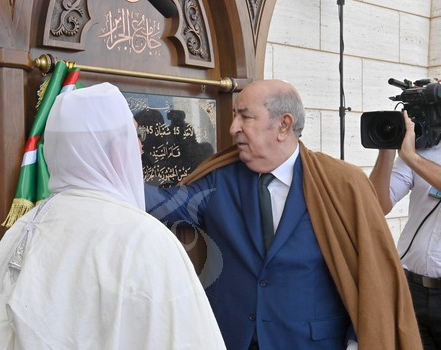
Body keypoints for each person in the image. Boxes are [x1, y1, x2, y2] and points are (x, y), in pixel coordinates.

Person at [145, 79, 422, 349]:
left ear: (283, 125)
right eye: (234, 116)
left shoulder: (341, 184)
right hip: (232, 339)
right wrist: (117, 142)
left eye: (245, 117)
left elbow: (370, 272)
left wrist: (356, 341)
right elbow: (158, 204)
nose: (233, 128)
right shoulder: (219, 179)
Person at [0, 83, 226, 350]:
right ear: (116, 149)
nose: (140, 147)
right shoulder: (145, 239)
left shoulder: (24, 229)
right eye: (135, 135)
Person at [369, 110, 441, 350]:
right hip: (412, 290)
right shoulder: (423, 150)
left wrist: (411, 157)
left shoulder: (415, 157)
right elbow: (378, 205)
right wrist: (387, 150)